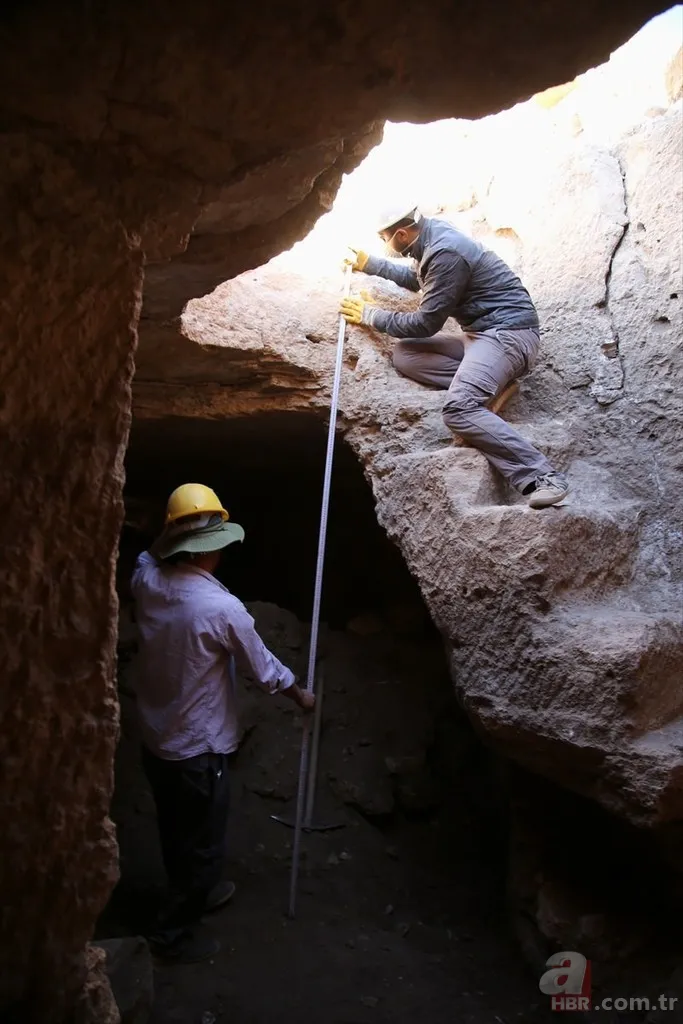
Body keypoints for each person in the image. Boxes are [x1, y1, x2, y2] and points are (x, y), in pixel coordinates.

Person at [130, 482, 314, 963]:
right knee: (205, 841)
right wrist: (301, 696)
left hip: (155, 739)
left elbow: (148, 557)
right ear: (213, 549)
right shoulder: (221, 609)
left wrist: (165, 531)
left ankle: (187, 888)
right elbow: (265, 670)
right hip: (197, 748)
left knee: (174, 828)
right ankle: (169, 934)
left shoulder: (146, 582)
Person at [340, 204, 569, 509]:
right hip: (481, 337)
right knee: (405, 354)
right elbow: (419, 279)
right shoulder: (430, 238)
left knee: (458, 409)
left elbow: (425, 323)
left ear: (401, 233)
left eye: (384, 239)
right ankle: (491, 382)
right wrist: (370, 264)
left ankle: (543, 478)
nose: (385, 245)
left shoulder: (446, 251)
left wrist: (371, 315)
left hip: (508, 335)